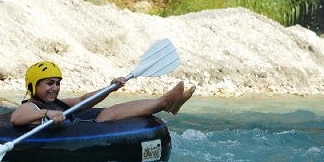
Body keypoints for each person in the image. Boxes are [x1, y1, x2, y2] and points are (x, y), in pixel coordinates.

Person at [10, 61, 195, 126]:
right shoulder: (31, 106)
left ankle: (166, 102)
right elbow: (16, 118)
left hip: (79, 128)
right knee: (106, 116)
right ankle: (165, 103)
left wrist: (110, 87)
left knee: (109, 110)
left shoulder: (57, 103)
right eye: (49, 84)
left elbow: (84, 100)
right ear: (33, 85)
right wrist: (46, 113)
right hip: (61, 140)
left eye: (58, 83)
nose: (55, 88)